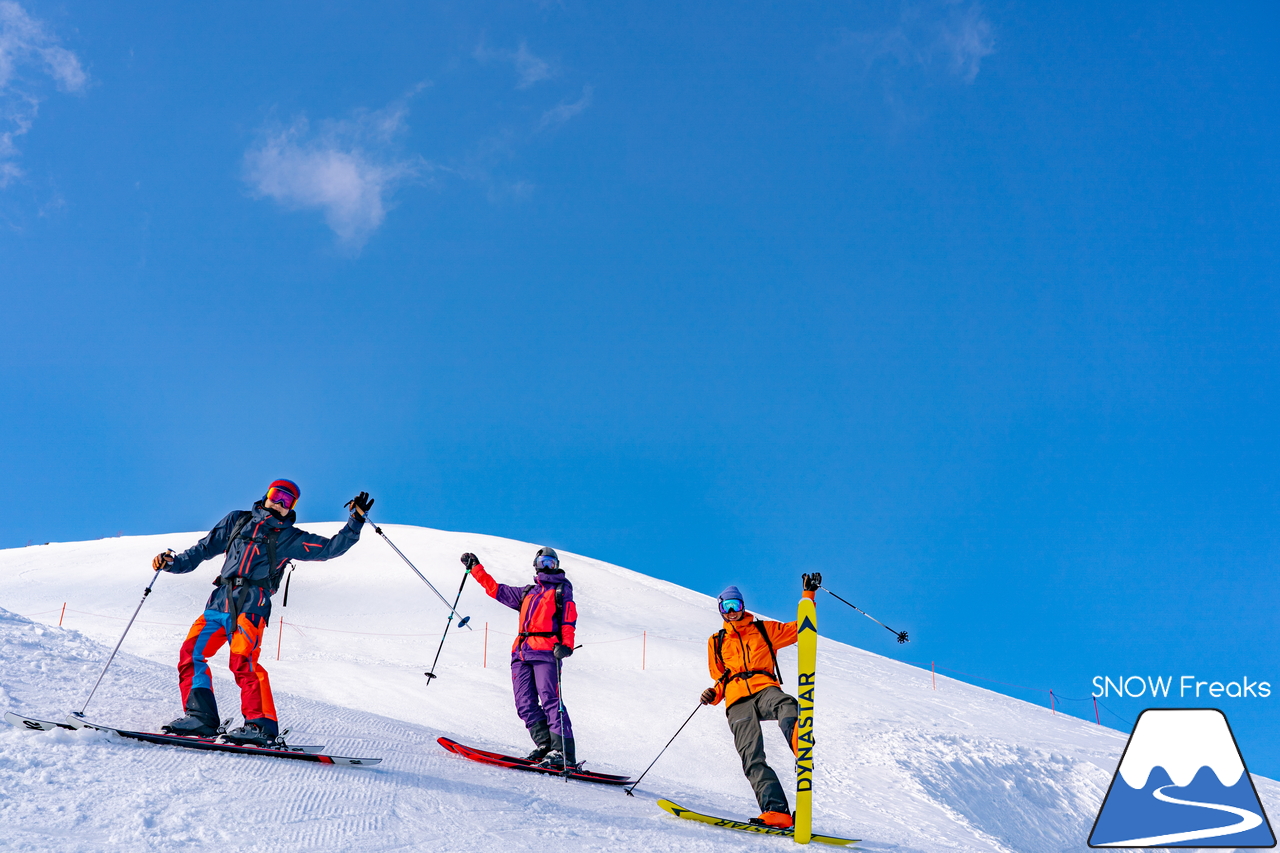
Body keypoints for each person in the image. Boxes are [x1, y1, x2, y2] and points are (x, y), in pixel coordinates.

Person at [150, 480, 373, 745]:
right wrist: (173, 563)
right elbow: (204, 549)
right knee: (191, 653)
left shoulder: (289, 537)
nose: (279, 503)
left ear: (292, 507)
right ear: (266, 495)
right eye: (277, 495)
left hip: (251, 607)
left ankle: (261, 726)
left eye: (287, 501)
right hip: (217, 604)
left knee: (243, 661)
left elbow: (329, 549)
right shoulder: (237, 521)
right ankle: (201, 717)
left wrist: (354, 522)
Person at [699, 573, 822, 829]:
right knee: (752, 757)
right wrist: (712, 694)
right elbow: (720, 677)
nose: (732, 611)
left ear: (743, 607)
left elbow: (802, 628)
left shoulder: (764, 630)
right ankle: (776, 811)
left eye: (736, 606)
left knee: (785, 703)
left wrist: (808, 596)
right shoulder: (717, 641)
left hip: (764, 687)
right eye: (726, 607)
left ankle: (800, 741)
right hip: (736, 701)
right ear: (720, 610)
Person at [461, 547, 579, 768]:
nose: (546, 566)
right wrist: (475, 568)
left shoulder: (561, 592)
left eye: (551, 563)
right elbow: (495, 589)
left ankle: (562, 752)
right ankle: (545, 745)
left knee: (551, 699)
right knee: (524, 703)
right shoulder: (527, 593)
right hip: (521, 652)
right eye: (542, 561)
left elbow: (568, 620)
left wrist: (566, 646)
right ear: (535, 564)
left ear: (557, 565)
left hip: (547, 651)